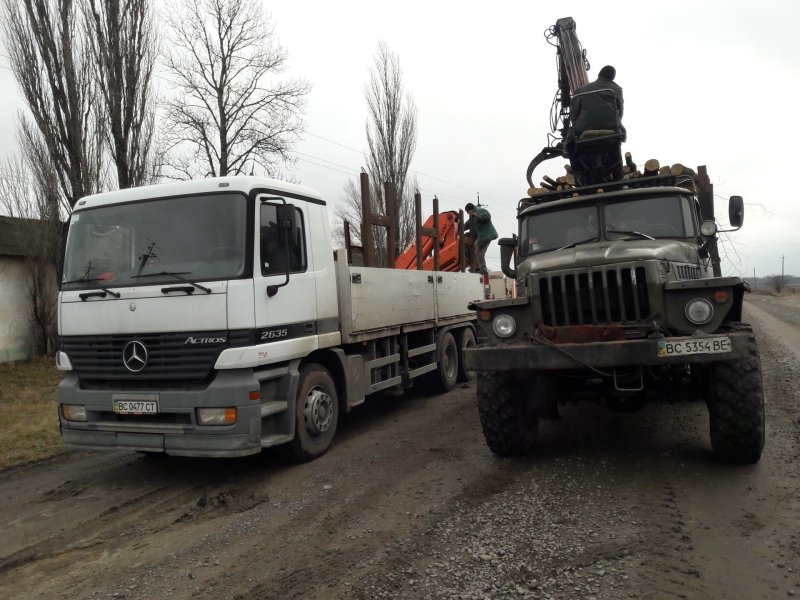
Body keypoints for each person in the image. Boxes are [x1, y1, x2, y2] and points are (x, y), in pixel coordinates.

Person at [568, 65, 625, 181]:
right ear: (612, 77)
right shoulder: (616, 89)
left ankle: (577, 169)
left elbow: (574, 114)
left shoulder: (580, 91)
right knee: (616, 142)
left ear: (599, 75)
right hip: (611, 128)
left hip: (583, 130)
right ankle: (618, 173)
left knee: (569, 142)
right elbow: (620, 112)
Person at [464, 202, 497, 274]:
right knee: (476, 247)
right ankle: (479, 267)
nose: (467, 213)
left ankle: (483, 268)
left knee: (479, 252)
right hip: (483, 236)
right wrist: (460, 228)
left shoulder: (479, 211)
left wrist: (477, 215)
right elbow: (468, 223)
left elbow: (488, 215)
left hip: (487, 235)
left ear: (471, 210)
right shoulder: (472, 216)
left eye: (467, 212)